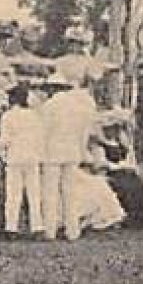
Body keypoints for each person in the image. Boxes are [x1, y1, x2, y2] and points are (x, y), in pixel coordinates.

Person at [38, 75, 95, 240]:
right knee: (70, 192)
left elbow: (44, 131)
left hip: (52, 152)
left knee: (51, 192)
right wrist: (81, 150)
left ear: (52, 89)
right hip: (72, 152)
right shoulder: (78, 107)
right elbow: (84, 132)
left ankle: (51, 230)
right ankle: (73, 230)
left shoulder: (49, 106)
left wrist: (41, 151)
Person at [0, 84, 45, 237]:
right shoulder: (35, 116)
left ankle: (11, 228)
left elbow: (5, 140)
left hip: (15, 157)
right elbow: (39, 138)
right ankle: (37, 227)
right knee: (34, 194)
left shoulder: (8, 117)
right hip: (32, 157)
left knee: (13, 194)